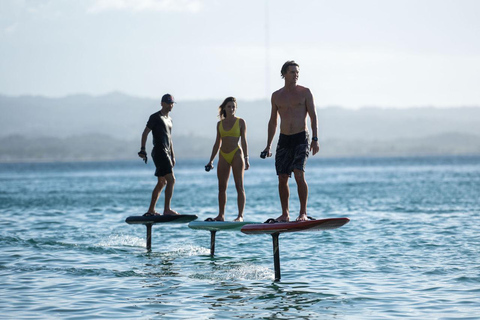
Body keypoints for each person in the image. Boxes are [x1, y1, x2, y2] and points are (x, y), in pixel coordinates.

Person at [261, 60, 319, 222]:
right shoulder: (276, 96)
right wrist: (268, 145)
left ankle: (303, 213)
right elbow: (273, 121)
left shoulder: (305, 92)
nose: (296, 75)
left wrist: (315, 138)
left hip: (301, 137)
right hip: (284, 138)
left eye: (297, 72)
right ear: (284, 74)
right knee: (282, 177)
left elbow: (313, 116)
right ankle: (285, 214)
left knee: (299, 173)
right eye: (292, 72)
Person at [205, 97, 250, 222]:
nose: (231, 109)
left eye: (234, 107)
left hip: (236, 154)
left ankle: (240, 215)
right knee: (221, 187)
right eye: (229, 106)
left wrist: (246, 158)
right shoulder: (219, 124)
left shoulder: (241, 122)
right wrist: (211, 160)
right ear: (224, 108)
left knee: (239, 186)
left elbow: (244, 141)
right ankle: (221, 215)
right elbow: (216, 143)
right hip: (223, 155)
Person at [138, 93, 179, 216]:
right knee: (171, 180)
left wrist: (173, 155)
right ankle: (167, 210)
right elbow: (145, 133)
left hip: (166, 152)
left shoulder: (170, 120)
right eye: (168, 103)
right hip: (159, 152)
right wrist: (143, 149)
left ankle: (151, 210)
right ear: (162, 103)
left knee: (162, 182)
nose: (170, 105)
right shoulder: (155, 117)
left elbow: (169, 138)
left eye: (172, 103)